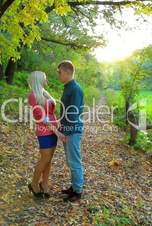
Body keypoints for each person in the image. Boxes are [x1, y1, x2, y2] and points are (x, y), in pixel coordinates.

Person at [27, 71, 65, 199]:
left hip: (53, 129)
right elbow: (42, 118)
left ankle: (45, 184)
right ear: (38, 80)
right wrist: (57, 132)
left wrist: (58, 125)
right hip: (44, 131)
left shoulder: (44, 93)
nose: (46, 80)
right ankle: (34, 184)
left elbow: (51, 113)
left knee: (49, 159)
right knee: (44, 159)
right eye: (44, 78)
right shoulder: (33, 96)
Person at [57, 60, 85, 202]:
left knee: (74, 162)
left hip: (72, 131)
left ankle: (78, 191)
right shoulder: (67, 87)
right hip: (67, 130)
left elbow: (73, 114)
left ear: (68, 72)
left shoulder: (75, 89)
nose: (58, 75)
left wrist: (65, 132)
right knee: (71, 161)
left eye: (60, 72)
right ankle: (74, 187)